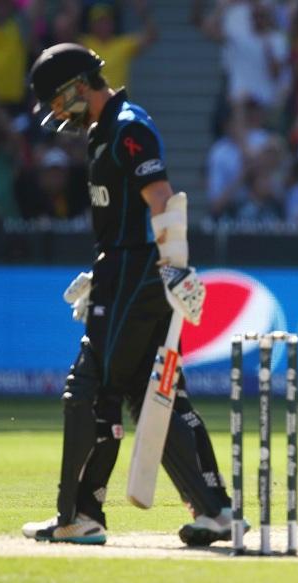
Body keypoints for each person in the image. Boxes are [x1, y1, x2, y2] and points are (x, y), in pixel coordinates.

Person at [21, 43, 248, 545]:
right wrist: (101, 271)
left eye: (59, 102)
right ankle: (216, 512)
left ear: (80, 85)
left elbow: (161, 199)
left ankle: (78, 515)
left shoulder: (128, 127)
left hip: (136, 273)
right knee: (155, 394)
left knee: (90, 388)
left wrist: (176, 268)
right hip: (121, 269)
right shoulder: (104, 131)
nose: (59, 115)